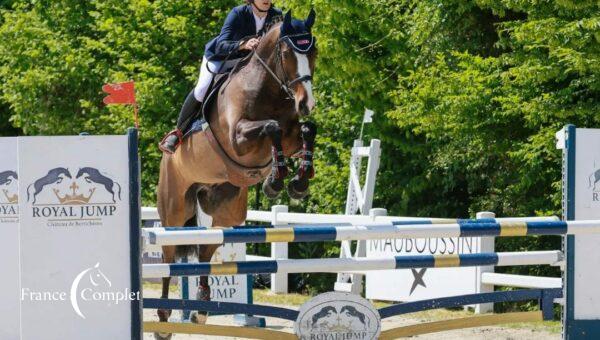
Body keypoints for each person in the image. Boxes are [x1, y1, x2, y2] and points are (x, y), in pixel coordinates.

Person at [159, 0, 283, 153]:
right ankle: (178, 133)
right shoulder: (238, 13)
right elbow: (221, 44)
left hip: (249, 62)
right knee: (202, 88)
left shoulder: (276, 16)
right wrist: (242, 44)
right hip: (221, 58)